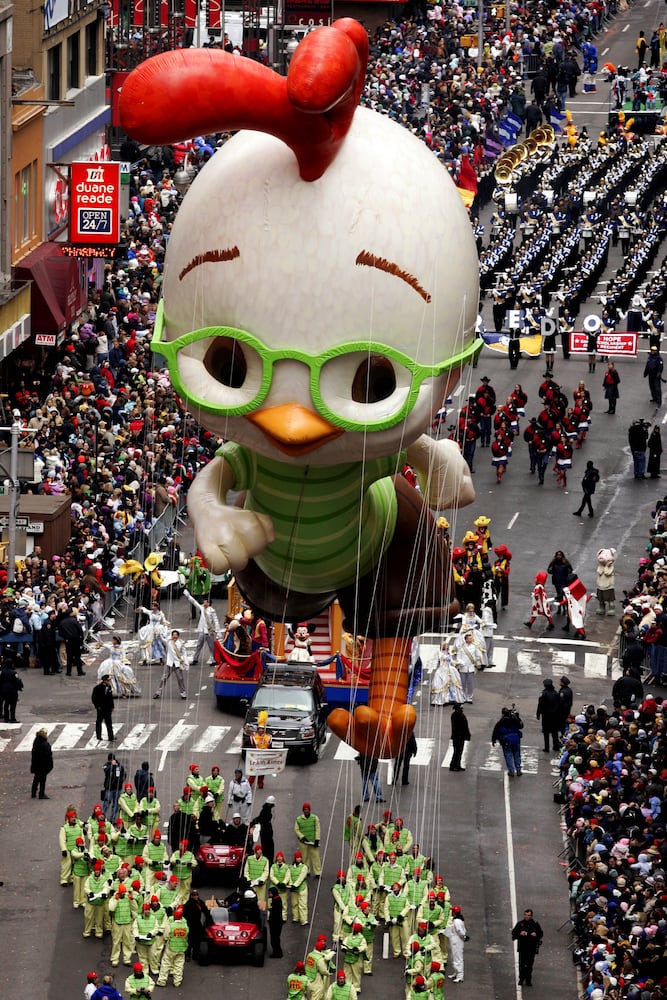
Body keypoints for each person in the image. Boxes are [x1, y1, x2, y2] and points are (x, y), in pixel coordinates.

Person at [184, 589, 222, 665]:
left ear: (209, 603)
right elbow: (194, 602)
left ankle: (213, 660)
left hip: (209, 631)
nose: (204, 603)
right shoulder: (202, 608)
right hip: (202, 631)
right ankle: (195, 659)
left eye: (205, 602)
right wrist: (188, 596)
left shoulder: (212, 611)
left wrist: (218, 632)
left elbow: (216, 621)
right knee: (199, 645)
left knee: (211, 647)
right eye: (204, 602)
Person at [511, 908, 544, 987]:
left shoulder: (535, 924)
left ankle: (528, 980)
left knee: (529, 965)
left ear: (531, 916)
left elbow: (540, 934)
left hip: (531, 948)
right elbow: (513, 933)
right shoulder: (520, 924)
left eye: (528, 915)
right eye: (525, 915)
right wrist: (520, 933)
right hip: (522, 947)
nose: (526, 917)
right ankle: (521, 979)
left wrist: (535, 935)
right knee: (522, 964)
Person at [153, 629, 188, 699]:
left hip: (177, 664)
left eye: (176, 636)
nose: (174, 637)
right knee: (164, 678)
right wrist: (158, 634)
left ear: (178, 636)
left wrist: (186, 662)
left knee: (180, 679)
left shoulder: (181, 643)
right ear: (171, 636)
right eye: (173, 636)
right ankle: (158, 692)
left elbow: (184, 653)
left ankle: (183, 693)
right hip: (169, 664)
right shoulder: (169, 642)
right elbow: (162, 639)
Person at [491, 707, 523, 777]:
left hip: (506, 741)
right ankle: (518, 770)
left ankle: (511, 771)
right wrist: (517, 716)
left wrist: (493, 740)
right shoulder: (514, 719)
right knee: (517, 755)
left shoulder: (501, 721)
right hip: (515, 739)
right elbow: (521, 725)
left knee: (508, 755)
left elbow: (495, 731)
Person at [455, 632, 483, 703]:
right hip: (463, 668)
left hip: (471, 668)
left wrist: (476, 661)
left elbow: (478, 655)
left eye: (471, 638)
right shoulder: (461, 648)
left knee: (471, 684)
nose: (471, 639)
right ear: (466, 639)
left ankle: (470, 697)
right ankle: (463, 696)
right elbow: (458, 657)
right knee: (463, 683)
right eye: (470, 638)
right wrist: (461, 662)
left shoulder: (474, 646)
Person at [294, 803, 321, 876]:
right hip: (303, 842)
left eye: (307, 809)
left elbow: (317, 829)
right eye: (305, 809)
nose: (306, 811)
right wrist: (302, 837)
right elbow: (296, 830)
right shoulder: (299, 819)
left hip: (312, 841)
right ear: (303, 810)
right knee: (304, 857)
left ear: (310, 810)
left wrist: (317, 839)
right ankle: (306, 871)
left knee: (316, 857)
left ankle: (317, 872)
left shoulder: (315, 818)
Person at [536, 679, 561, 754]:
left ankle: (547, 747)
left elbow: (540, 704)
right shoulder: (556, 693)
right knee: (554, 731)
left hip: (546, 715)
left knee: (546, 731)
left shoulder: (543, 693)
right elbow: (559, 704)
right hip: (554, 715)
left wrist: (538, 713)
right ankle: (556, 746)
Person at [444, 905, 467, 982]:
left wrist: (464, 937)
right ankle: (456, 972)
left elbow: (460, 931)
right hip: (455, 941)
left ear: (454, 912)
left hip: (457, 942)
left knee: (458, 958)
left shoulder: (457, 921)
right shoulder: (457, 920)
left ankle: (460, 975)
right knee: (454, 957)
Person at [30, 726, 53, 799]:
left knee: (36, 778)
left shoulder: (36, 741)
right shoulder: (45, 744)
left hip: (36, 763)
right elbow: (48, 755)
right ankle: (41, 794)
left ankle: (33, 792)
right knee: (42, 780)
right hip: (43, 765)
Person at [92, 674, 115, 742]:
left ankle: (111, 737)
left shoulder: (109, 687)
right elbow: (94, 698)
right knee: (99, 722)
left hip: (108, 708)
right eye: (108, 680)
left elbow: (110, 698)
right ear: (104, 681)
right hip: (101, 708)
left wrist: (112, 706)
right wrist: (97, 706)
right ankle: (98, 736)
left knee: (109, 723)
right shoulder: (97, 688)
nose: (109, 681)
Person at [103, 753, 126, 823]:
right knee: (106, 803)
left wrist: (120, 782)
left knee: (115, 804)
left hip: (117, 788)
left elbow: (121, 775)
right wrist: (112, 766)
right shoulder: (106, 765)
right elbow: (106, 771)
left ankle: (112, 819)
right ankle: (103, 817)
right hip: (109, 788)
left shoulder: (119, 767)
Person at [0, 656, 23, 722]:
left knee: (6, 704)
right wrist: (20, 686)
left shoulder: (2, 672)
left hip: (4, 690)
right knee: (13, 705)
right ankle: (12, 718)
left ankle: (6, 718)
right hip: (12, 691)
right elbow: (17, 681)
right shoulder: (14, 673)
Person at [449, 704, 470, 772]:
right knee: (456, 752)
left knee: (459, 752)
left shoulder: (460, 715)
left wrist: (467, 734)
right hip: (457, 737)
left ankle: (457, 765)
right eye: (460, 709)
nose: (461, 710)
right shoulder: (456, 716)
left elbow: (465, 726)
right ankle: (453, 765)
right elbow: (457, 727)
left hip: (461, 736)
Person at [268, 885, 284, 958]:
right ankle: (277, 952)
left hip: (275, 923)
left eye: (270, 893)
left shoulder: (276, 900)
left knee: (274, 938)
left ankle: (277, 952)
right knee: (276, 938)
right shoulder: (277, 899)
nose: (269, 894)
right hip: (277, 922)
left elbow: (275, 912)